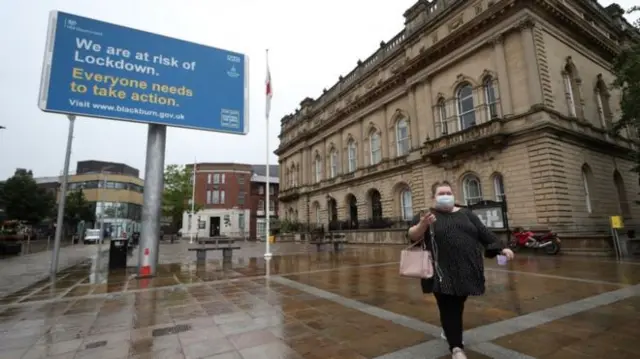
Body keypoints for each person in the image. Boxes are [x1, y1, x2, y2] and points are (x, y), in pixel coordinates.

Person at [407, 181, 515, 359]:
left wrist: (502, 248)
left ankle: (449, 329)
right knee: (449, 306)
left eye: (448, 192)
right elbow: (411, 235)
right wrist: (423, 225)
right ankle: (456, 348)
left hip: (467, 268)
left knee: (458, 303)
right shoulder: (425, 215)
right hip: (440, 270)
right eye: (441, 193)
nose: (445, 196)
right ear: (433, 197)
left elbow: (483, 233)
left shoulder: (466, 213)